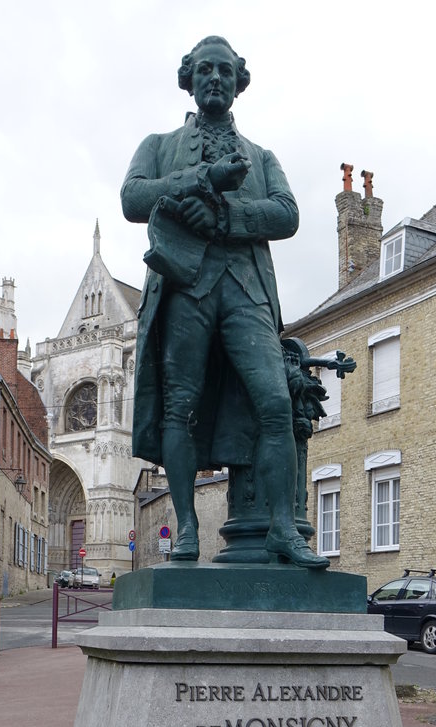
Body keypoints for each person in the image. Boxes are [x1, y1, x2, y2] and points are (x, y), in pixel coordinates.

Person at [121, 35, 327, 568]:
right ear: (189, 80)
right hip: (185, 286)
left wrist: (225, 219)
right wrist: (197, 181)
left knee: (276, 402)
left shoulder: (262, 157)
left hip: (245, 288)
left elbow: (287, 214)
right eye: (206, 70)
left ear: (239, 83)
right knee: (179, 406)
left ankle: (283, 526)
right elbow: (133, 198)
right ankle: (187, 531)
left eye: (226, 71)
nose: (216, 78)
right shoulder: (159, 145)